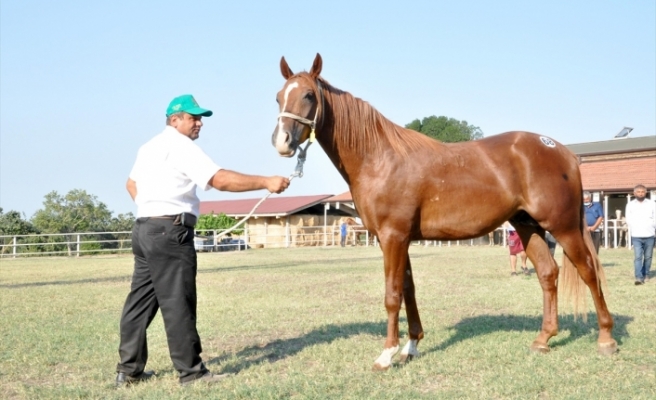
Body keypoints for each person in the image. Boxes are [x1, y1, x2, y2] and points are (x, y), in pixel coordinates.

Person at [116, 94, 290, 387]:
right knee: (179, 303)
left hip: (145, 228)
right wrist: (266, 181)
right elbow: (218, 179)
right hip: (170, 232)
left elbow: (131, 183)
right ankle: (192, 374)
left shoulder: (149, 147)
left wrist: (151, 208)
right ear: (175, 120)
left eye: (200, 118)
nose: (199, 123)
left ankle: (129, 370)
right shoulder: (180, 146)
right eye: (193, 118)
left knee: (140, 303)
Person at [625, 184, 656, 285]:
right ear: (634, 193)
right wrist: (634, 227)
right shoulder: (630, 205)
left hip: (650, 235)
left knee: (648, 257)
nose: (640, 194)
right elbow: (628, 219)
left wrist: (652, 227)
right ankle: (639, 277)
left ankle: (646, 273)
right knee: (638, 257)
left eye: (642, 192)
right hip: (636, 235)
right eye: (638, 192)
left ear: (645, 193)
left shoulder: (652, 204)